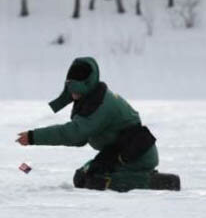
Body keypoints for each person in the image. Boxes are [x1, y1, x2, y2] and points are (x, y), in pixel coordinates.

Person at [16, 57, 180, 192]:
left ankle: (157, 182)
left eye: (76, 92)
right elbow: (80, 139)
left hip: (136, 155)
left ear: (86, 85)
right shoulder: (91, 99)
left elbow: (74, 134)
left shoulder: (101, 104)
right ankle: (138, 177)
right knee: (82, 177)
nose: (73, 96)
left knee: (96, 181)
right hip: (116, 153)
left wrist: (33, 137)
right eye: (71, 91)